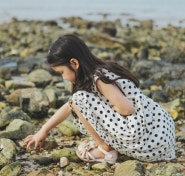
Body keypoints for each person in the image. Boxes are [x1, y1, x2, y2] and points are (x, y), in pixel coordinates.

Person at [24, 34, 176, 164]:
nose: (63, 77)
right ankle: (109, 145)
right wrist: (44, 130)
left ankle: (106, 150)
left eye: (61, 72)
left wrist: (108, 114)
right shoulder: (101, 70)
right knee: (77, 101)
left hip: (150, 142)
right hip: (160, 133)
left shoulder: (99, 78)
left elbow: (126, 108)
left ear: (74, 63)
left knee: (78, 99)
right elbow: (69, 106)